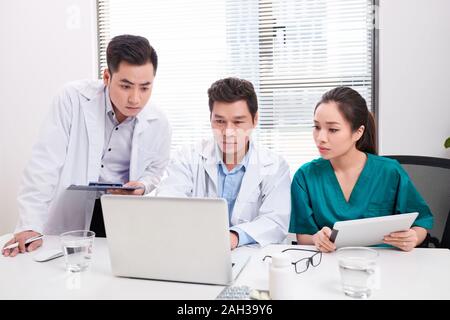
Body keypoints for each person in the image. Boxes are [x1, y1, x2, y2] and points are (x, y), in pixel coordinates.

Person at [3, 35, 171, 257]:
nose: (135, 99)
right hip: (70, 211)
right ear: (106, 77)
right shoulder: (72, 99)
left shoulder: (158, 122)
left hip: (117, 213)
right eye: (126, 86)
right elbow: (44, 163)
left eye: (145, 87)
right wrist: (29, 224)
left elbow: (156, 171)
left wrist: (142, 185)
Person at [289, 86, 433, 252]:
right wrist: (317, 238)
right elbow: (304, 236)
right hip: (327, 265)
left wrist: (413, 237)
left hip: (385, 266)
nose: (320, 138)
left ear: (358, 132)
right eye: (316, 127)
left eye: (333, 130)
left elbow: (421, 221)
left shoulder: (390, 172)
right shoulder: (305, 176)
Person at [156, 77, 291, 249]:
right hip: (195, 249)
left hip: (250, 256)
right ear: (210, 118)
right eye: (219, 121)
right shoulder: (187, 158)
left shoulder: (274, 166)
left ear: (255, 119)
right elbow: (168, 204)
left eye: (238, 122)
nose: (228, 132)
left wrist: (234, 237)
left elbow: (275, 221)